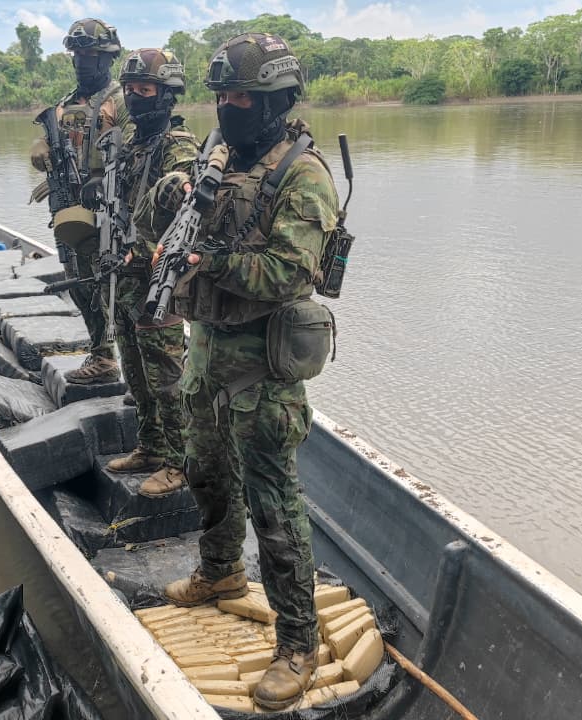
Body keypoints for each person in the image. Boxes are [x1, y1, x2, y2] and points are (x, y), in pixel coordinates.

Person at [142, 33, 341, 709]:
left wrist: (212, 262)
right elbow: (164, 227)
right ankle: (221, 573)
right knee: (206, 469)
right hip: (207, 349)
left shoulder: (304, 173)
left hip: (262, 362)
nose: (227, 107)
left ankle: (297, 642)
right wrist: (173, 197)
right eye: (220, 95)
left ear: (278, 100)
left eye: (241, 97)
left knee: (274, 503)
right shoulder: (216, 153)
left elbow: (289, 272)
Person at [100, 49, 199, 496]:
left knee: (167, 380)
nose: (136, 98)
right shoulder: (130, 144)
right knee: (136, 374)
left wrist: (139, 252)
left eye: (145, 90)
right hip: (123, 277)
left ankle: (180, 464)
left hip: (157, 281)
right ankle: (151, 446)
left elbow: (185, 216)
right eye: (131, 90)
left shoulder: (178, 147)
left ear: (166, 94)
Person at [29, 18, 123, 385]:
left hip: (108, 207)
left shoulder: (121, 100)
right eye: (78, 54)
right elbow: (50, 143)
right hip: (68, 205)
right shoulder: (64, 105)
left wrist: (106, 180)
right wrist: (40, 147)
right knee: (79, 281)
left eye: (92, 55)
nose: (83, 61)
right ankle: (101, 356)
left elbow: (142, 149)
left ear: (107, 58)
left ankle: (121, 357)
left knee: (112, 284)